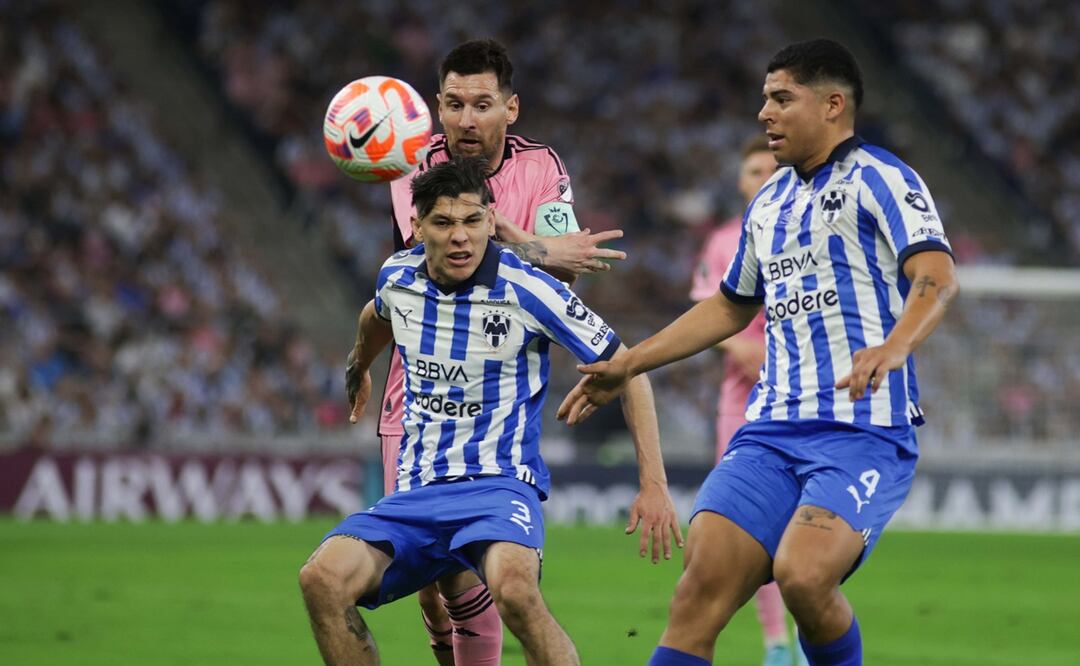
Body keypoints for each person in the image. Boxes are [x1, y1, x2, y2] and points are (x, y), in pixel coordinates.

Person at [558, 39, 959, 666]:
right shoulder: (768, 204)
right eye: (764, 98)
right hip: (770, 432)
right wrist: (629, 362)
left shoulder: (883, 179)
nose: (763, 113)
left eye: (780, 98)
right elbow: (728, 307)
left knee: (803, 575)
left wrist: (894, 345)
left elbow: (937, 275)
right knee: (699, 585)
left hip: (862, 431)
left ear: (832, 105)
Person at [301, 157, 682, 666]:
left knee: (517, 593)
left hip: (497, 488)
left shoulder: (527, 288)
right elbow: (377, 313)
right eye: (443, 223)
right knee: (320, 579)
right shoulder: (398, 276)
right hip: (417, 494)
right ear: (416, 228)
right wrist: (359, 364)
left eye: (472, 221)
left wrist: (653, 483)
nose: (460, 237)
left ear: (490, 219)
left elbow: (628, 367)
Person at [378, 39, 627, 664]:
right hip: (416, 399)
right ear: (436, 107)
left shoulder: (542, 167)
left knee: (473, 581)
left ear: (509, 110)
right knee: (432, 589)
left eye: (482, 104)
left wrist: (549, 256)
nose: (466, 119)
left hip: (495, 400)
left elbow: (565, 279)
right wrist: (541, 248)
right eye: (454, 104)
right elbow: (449, 252)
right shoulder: (412, 162)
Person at [691, 136, 806, 666]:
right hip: (741, 407)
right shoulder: (722, 243)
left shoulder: (806, 234)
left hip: (801, 404)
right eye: (754, 171)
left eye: (771, 170)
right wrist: (747, 349)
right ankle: (777, 644)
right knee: (746, 531)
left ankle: (803, 640)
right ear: (741, 181)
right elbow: (708, 319)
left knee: (803, 534)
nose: (763, 178)